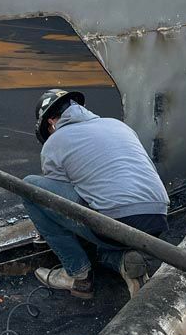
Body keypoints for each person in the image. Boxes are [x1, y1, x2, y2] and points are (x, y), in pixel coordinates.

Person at [23, 88, 169, 299]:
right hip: (156, 220)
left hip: (113, 222)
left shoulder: (55, 141)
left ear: (51, 123)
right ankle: (123, 261)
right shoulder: (118, 125)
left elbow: (59, 203)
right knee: (101, 212)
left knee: (30, 188)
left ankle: (77, 275)